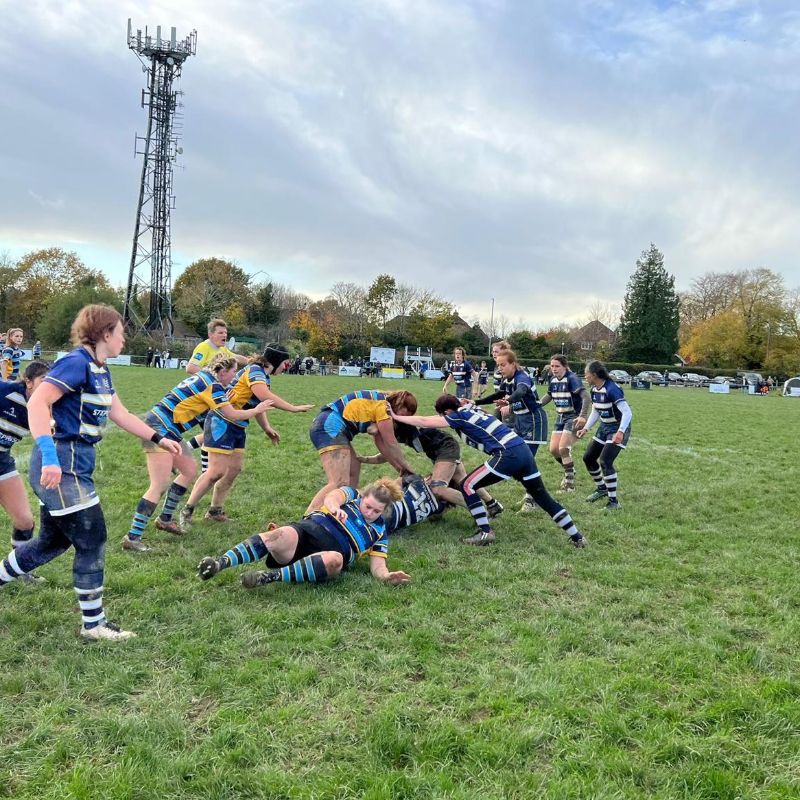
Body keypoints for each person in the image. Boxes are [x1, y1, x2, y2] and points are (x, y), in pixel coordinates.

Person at [0, 305, 182, 641]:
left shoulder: (100, 369)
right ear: (105, 333)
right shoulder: (76, 362)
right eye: (121, 332)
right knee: (92, 536)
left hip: (76, 463)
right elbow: (39, 402)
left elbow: (121, 413)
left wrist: (158, 437)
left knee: (50, 543)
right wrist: (52, 457)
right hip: (62, 463)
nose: (124, 339)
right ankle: (93, 625)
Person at [390, 395, 588, 548]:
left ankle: (485, 531)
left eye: (443, 414)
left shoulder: (458, 415)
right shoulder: (470, 409)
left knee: (468, 484)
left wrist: (396, 416)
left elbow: (425, 421)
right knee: (544, 498)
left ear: (447, 412)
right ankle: (577, 536)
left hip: (508, 453)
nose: (443, 418)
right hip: (523, 451)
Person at [122, 354, 275, 552]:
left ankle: (165, 519)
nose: (235, 377)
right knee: (159, 484)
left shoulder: (204, 376)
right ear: (222, 371)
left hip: (169, 429)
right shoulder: (214, 386)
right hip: (158, 428)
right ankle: (133, 537)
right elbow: (232, 414)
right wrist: (258, 409)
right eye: (233, 372)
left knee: (189, 470)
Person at [181, 344, 313, 525]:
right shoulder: (255, 371)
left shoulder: (262, 375)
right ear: (275, 361)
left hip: (238, 425)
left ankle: (215, 511)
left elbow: (259, 405)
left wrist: (267, 428)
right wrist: (293, 408)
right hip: (222, 422)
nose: (286, 367)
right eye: (285, 363)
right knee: (215, 472)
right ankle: (187, 511)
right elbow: (264, 395)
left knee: (234, 469)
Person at [197, 478, 412, 588]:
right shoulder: (351, 495)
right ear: (364, 497)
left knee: (335, 560)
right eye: (368, 506)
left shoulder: (380, 532)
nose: (370, 512)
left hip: (327, 557)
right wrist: (334, 507)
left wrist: (386, 576)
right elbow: (332, 497)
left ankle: (268, 578)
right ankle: (219, 563)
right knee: (279, 535)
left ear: (384, 511)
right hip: (307, 533)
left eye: (377, 511)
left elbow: (378, 566)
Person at [357, 421, 504, 519]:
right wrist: (364, 459)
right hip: (443, 447)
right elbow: (387, 454)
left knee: (438, 488)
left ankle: (479, 510)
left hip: (444, 448)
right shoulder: (395, 431)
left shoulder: (398, 423)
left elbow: (374, 430)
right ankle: (492, 504)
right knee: (462, 480)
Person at [306, 390, 419, 514]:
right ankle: (309, 516)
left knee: (354, 469)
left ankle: (347, 510)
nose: (405, 418)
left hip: (330, 425)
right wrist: (406, 466)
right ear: (402, 405)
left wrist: (399, 468)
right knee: (338, 482)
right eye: (408, 413)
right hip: (330, 427)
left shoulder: (381, 403)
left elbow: (381, 443)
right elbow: (391, 443)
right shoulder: (384, 408)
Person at [473, 348, 548, 514]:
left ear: (513, 364)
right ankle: (532, 493)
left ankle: (531, 498)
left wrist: (508, 401)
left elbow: (521, 392)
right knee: (521, 462)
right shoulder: (507, 380)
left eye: (503, 365)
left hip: (534, 421)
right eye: (498, 365)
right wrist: (476, 402)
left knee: (527, 461)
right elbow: (498, 394)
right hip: (521, 421)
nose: (500, 368)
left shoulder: (522, 377)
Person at [0, 361, 50, 583]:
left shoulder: (45, 407)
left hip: (2, 462)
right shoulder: (6, 392)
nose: (48, 387)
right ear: (28, 382)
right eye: (42, 381)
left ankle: (19, 572)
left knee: (25, 521)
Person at [576, 361, 633, 510]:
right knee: (588, 458)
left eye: (586, 372)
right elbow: (596, 410)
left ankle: (614, 502)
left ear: (594, 374)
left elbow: (627, 412)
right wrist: (586, 428)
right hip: (605, 426)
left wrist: (620, 432)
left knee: (605, 461)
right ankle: (602, 489)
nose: (585, 375)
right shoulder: (595, 389)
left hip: (618, 427)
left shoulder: (612, 389)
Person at [540, 354, 590, 492]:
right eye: (552, 366)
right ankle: (570, 469)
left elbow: (586, 397)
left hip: (573, 416)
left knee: (563, 449)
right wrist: (537, 405)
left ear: (565, 366)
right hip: (560, 417)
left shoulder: (572, 378)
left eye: (557, 366)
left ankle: (569, 484)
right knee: (554, 450)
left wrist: (583, 416)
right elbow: (549, 395)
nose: (554, 369)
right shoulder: (553, 379)